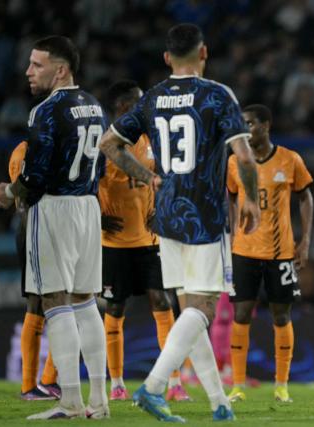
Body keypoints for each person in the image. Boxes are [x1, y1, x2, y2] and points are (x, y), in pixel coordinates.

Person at [99, 23, 260, 422]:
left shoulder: (152, 96)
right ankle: (154, 387)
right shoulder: (217, 95)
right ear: (204, 53)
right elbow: (244, 154)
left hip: (166, 213)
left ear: (166, 58)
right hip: (203, 213)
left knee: (190, 308)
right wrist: (252, 201)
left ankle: (220, 403)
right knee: (203, 308)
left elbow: (108, 144)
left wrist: (146, 176)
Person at [0, 36, 109, 419]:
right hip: (89, 206)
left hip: (55, 208)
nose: (28, 71)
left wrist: (10, 192)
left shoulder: (46, 110)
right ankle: (100, 401)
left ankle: (71, 401)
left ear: (60, 70)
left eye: (37, 64)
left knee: (53, 301)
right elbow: (102, 166)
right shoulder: (94, 105)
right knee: (86, 301)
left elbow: (36, 174)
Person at [98, 80, 190, 402]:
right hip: (114, 242)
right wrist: (96, 215)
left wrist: (161, 210)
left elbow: (166, 180)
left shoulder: (151, 139)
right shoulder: (103, 144)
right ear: (123, 107)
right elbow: (82, 186)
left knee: (162, 301)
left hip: (150, 240)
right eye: (137, 104)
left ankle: (174, 381)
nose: (143, 109)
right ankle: (117, 383)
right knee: (115, 307)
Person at [226, 104, 314, 404]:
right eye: (242, 124)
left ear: (266, 125)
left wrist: (304, 242)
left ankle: (281, 385)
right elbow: (230, 198)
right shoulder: (235, 162)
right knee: (240, 314)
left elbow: (305, 197)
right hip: (244, 250)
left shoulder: (290, 159)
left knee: (281, 315)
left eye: (250, 123)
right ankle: (237, 385)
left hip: (281, 252)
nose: (245, 129)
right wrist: (230, 237)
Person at [8, 141, 60, 401]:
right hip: (36, 227)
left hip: (34, 227)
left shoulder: (20, 150)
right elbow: (25, 193)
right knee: (42, 304)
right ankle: (33, 384)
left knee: (54, 303)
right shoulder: (39, 151)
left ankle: (46, 381)